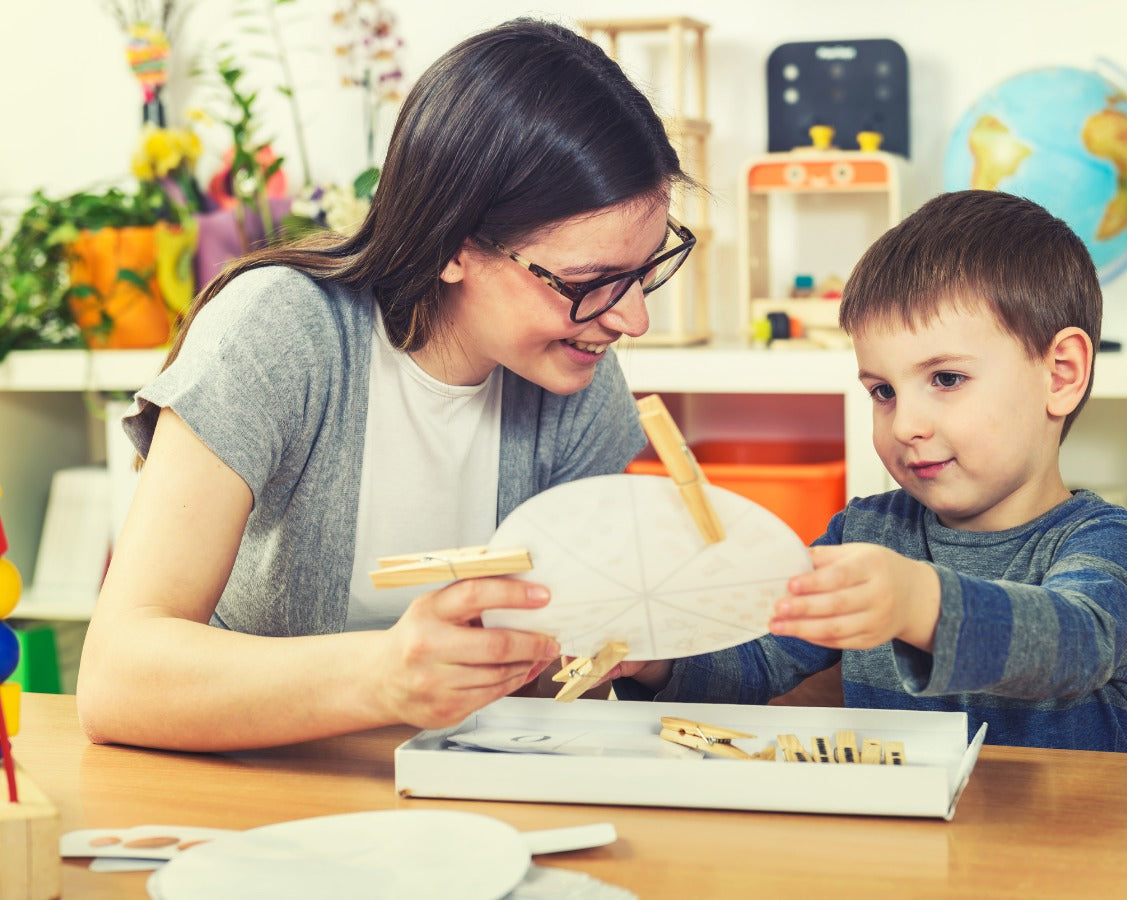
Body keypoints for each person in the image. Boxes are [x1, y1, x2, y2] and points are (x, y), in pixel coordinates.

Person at [76, 18, 696, 751]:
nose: (633, 318)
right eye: (594, 281)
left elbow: (553, 674)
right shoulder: (281, 333)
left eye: (646, 267)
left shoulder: (574, 365)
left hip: (458, 800)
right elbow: (117, 679)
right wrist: (381, 677)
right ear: (456, 247)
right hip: (252, 792)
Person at [615, 190, 1127, 752]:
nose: (905, 426)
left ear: (1061, 374)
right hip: (898, 837)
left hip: (1060, 836)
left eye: (946, 379)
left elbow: (1074, 645)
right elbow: (757, 661)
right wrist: (657, 660)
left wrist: (918, 603)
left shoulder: (1110, 542)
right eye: (883, 391)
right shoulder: (864, 534)